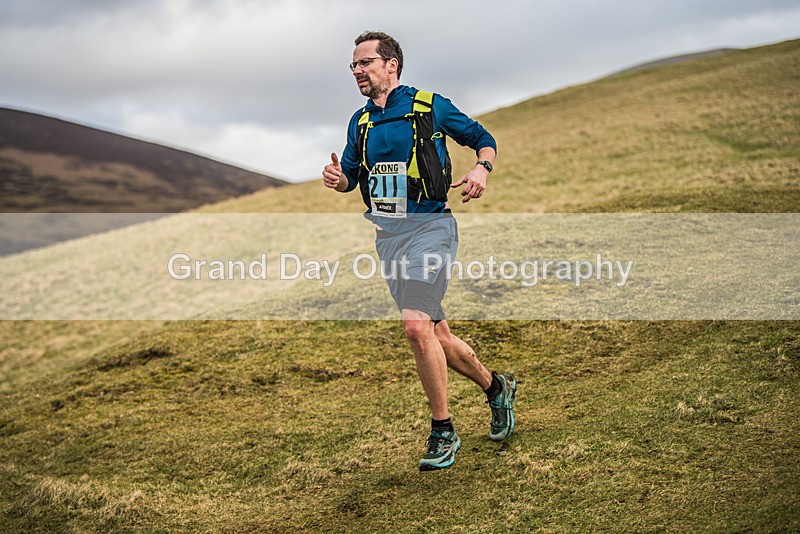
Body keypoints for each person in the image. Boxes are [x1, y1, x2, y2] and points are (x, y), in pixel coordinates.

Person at [322, 30, 516, 471]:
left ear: (391, 64)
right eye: (353, 65)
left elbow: (484, 138)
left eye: (365, 62)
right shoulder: (360, 122)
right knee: (436, 335)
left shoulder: (428, 106)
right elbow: (352, 176)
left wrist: (482, 169)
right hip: (389, 237)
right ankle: (495, 388)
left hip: (432, 230)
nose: (357, 71)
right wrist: (339, 180)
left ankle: (442, 431)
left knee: (414, 327)